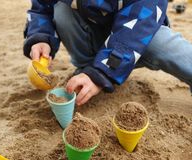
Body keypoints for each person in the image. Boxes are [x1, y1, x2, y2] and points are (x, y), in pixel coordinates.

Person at [23, 0, 192, 106]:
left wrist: (103, 70)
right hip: (91, 33)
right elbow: (42, 8)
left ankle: (99, 71)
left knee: (159, 41)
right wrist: (41, 37)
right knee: (60, 9)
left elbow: (140, 23)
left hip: (135, 39)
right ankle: (87, 68)